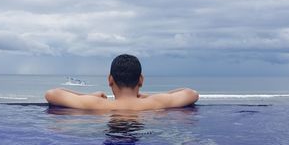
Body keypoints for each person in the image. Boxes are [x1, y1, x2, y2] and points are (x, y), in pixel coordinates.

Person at [45, 54, 199, 110]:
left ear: (110, 80)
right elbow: (191, 93)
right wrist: (149, 97)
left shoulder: (98, 105)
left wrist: (89, 95)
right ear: (141, 80)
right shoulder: (155, 103)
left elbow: (52, 94)